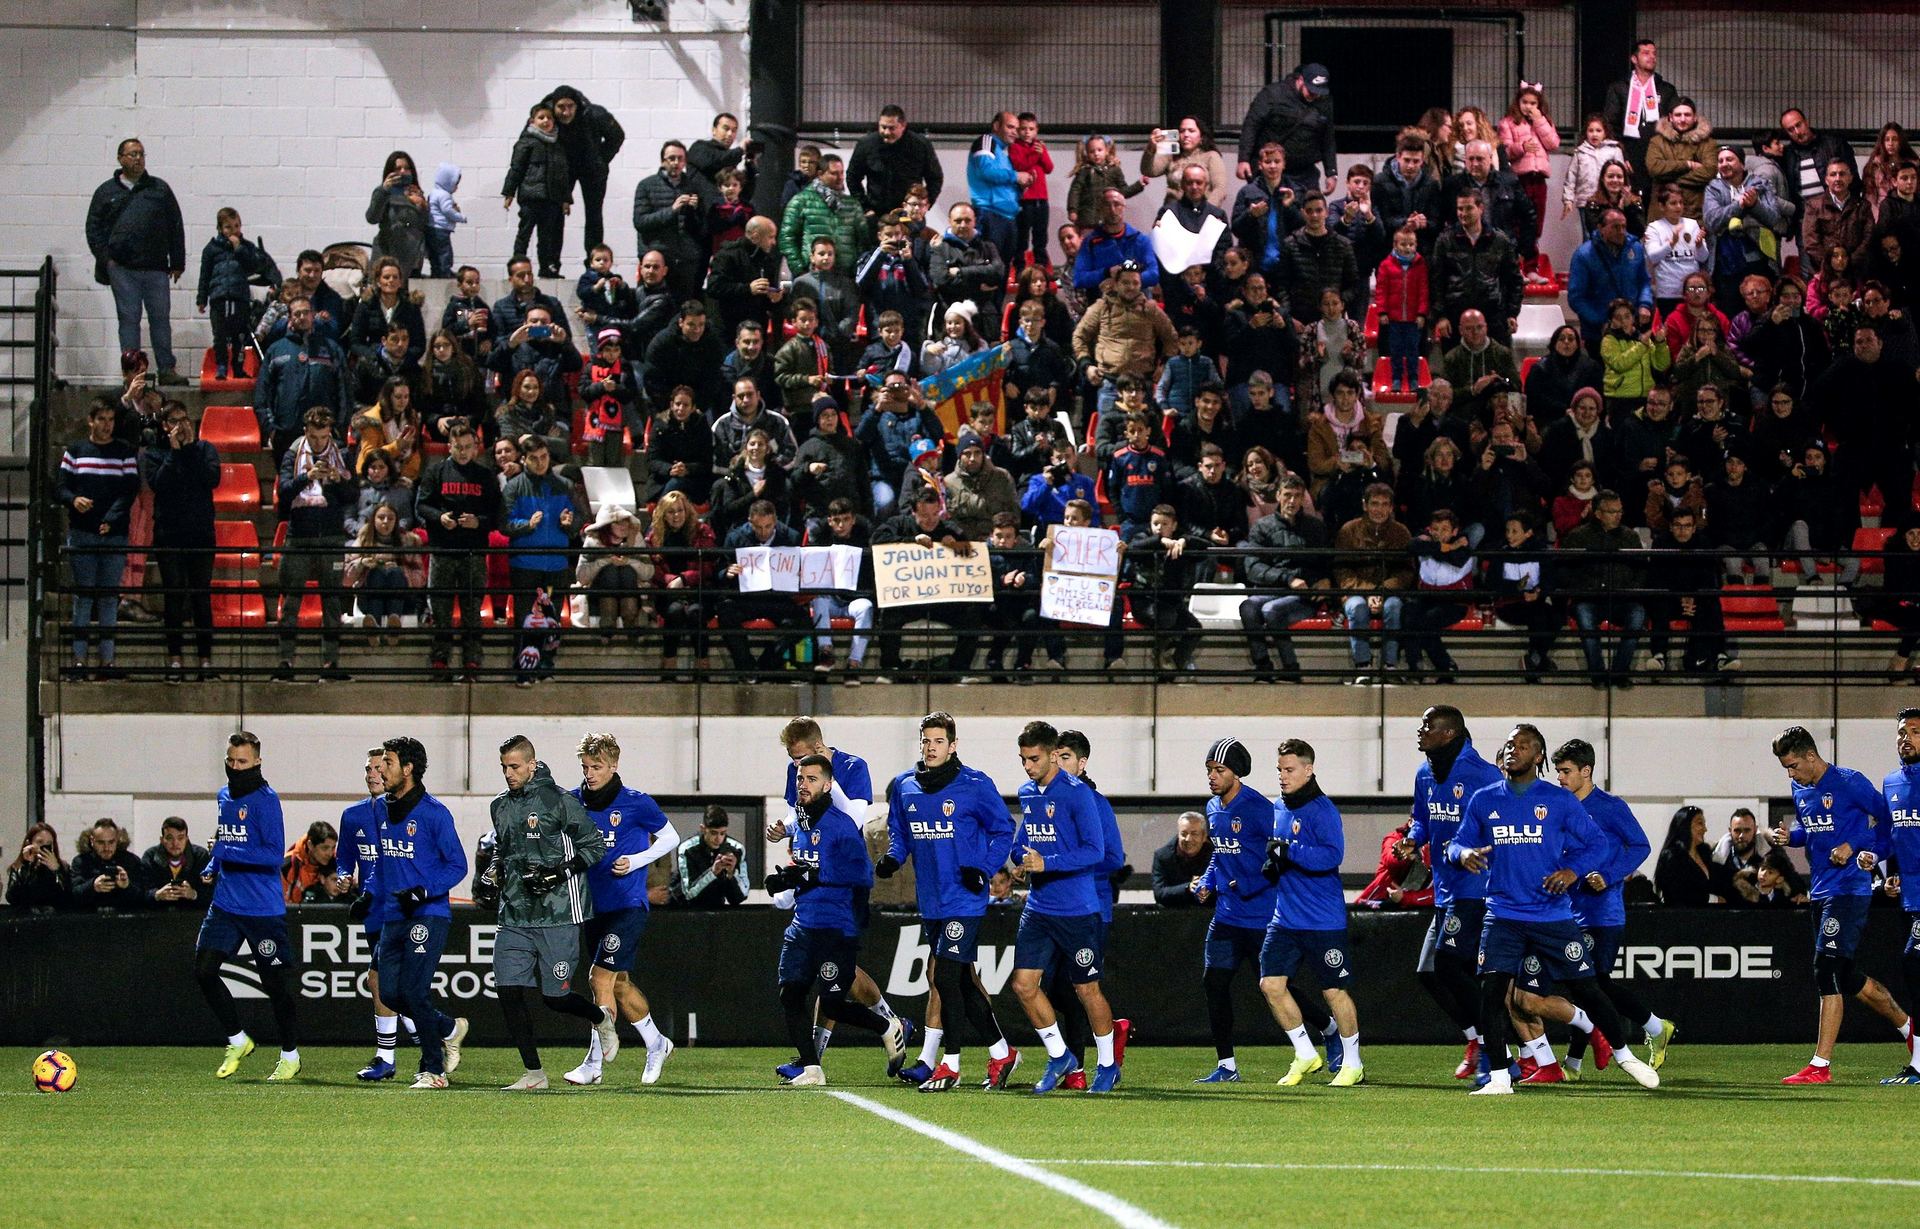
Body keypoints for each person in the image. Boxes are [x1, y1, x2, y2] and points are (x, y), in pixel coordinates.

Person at [1446, 724, 1660, 1094]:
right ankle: (1499, 1077)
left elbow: (1596, 844)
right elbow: (1457, 844)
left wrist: (1572, 869)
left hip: (1552, 915)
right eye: (1509, 744)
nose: (1513, 750)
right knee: (1493, 994)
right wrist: (1463, 853)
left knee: (1589, 989)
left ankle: (1626, 1056)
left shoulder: (1559, 801)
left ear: (1538, 756)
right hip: (1503, 915)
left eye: (1523, 745)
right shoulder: (1484, 799)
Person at [877, 711, 1019, 1091]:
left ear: (953, 745)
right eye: (926, 741)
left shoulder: (974, 784)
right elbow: (900, 832)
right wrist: (893, 856)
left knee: (945, 977)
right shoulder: (905, 786)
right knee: (962, 982)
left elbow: (1004, 829)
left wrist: (985, 869)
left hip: (966, 897)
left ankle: (950, 1064)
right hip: (932, 899)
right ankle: (1003, 1052)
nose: (931, 747)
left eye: (939, 741)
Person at [1768, 726, 1914, 1084]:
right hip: (1819, 890)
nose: (1790, 774)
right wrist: (1790, 837)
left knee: (1825, 967)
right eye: (1786, 768)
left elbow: (1888, 825)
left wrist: (1854, 845)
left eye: (1793, 766)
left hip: (1849, 889)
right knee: (1847, 976)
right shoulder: (1800, 788)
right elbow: (1810, 830)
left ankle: (1820, 1066)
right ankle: (1911, 1028)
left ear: (1811, 757)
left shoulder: (1848, 782)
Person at [1190, 737, 1335, 1083]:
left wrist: (1246, 886)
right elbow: (1219, 852)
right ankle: (1227, 1066)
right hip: (1226, 915)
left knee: (1278, 986)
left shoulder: (1258, 808)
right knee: (1215, 984)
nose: (1212, 776)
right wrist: (1208, 881)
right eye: (1209, 769)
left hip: (1261, 916)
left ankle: (1328, 1028)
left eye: (1219, 770)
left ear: (1237, 773)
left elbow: (1275, 856)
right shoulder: (1212, 807)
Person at [482, 735, 617, 1091]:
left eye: (514, 767)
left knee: (554, 998)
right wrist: (493, 871)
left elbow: (595, 846)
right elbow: (503, 849)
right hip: (514, 912)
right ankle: (534, 1073)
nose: (508, 774)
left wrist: (559, 872)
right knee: (508, 990)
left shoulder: (559, 801)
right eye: (504, 768)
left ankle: (598, 1018)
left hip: (557, 911)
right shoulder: (500, 806)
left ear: (531, 764)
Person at [1535, 739, 1675, 1079]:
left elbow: (1640, 845)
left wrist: (1610, 876)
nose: (1561, 779)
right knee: (1584, 984)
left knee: (1592, 982)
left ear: (1587, 771)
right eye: (1558, 773)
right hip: (1567, 911)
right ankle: (1577, 1061)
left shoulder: (1610, 807)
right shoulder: (1560, 808)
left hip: (1603, 914)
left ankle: (1653, 1027)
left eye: (1567, 772)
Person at [768, 753, 906, 1086]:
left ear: (829, 784)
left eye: (812, 779)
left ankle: (888, 1026)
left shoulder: (841, 826)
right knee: (790, 994)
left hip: (835, 926)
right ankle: (812, 1068)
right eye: (800, 779)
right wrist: (790, 879)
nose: (803, 785)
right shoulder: (799, 825)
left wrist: (811, 875)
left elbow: (862, 877)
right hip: (803, 925)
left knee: (832, 1002)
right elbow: (807, 869)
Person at [1007, 721, 1120, 1094]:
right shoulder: (1027, 792)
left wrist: (1047, 863)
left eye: (1034, 758)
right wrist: (1018, 860)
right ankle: (1059, 1055)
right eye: (1023, 759)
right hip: (1039, 907)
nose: (1028, 767)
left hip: (1076, 909)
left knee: (1086, 990)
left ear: (1053, 755)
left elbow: (1095, 851)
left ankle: (1107, 1064)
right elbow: (1025, 838)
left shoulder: (1077, 795)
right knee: (1024, 985)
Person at [561, 732, 678, 1087]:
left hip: (629, 903)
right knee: (620, 984)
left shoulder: (636, 802)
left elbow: (671, 837)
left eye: (597, 766)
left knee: (599, 977)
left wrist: (637, 860)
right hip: (593, 905)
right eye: (585, 766)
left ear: (614, 765)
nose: (590, 773)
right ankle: (657, 1043)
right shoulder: (573, 801)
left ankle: (593, 1064)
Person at [1396, 706, 1504, 1078]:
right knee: (1429, 972)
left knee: (1449, 965)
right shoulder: (1425, 773)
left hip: (1476, 887)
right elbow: (1423, 819)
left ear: (1449, 733)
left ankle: (1494, 1053)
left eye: (1427, 725)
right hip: (1444, 889)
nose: (1420, 730)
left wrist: (1478, 851)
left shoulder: (1482, 774)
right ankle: (1477, 1038)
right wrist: (1411, 841)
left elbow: (1503, 825)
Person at [195, 732, 302, 1082]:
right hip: (226, 904)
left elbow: (274, 855)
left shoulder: (266, 800)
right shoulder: (224, 795)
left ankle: (290, 1056)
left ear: (257, 762)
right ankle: (238, 1039)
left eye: (243, 762)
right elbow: (228, 837)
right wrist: (213, 865)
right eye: (231, 761)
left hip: (261, 909)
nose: (236, 767)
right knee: (204, 971)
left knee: (276, 986)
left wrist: (225, 853)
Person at [1259, 740, 1365, 1087]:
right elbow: (1282, 854)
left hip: (1322, 919)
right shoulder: (1279, 808)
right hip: (1285, 918)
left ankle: (1353, 1062)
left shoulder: (1323, 810)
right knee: (1271, 985)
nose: (1282, 777)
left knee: (1333, 992)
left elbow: (1332, 856)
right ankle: (1305, 1053)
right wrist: (1272, 864)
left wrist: (1290, 851)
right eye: (1279, 770)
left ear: (1309, 769)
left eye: (1289, 770)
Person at [367, 736, 470, 1090]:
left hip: (427, 914)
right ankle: (448, 1028)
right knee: (390, 994)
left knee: (413, 991)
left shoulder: (433, 813)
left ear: (408, 769)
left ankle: (434, 1070)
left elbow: (458, 865)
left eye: (389, 762)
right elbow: (383, 860)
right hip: (394, 915)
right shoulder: (381, 808)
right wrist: (368, 892)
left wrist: (424, 890)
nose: (381, 768)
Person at [86, 138, 187, 384]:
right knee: (129, 320)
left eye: (141, 153)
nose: (138, 158)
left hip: (156, 268)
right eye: (132, 154)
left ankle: (166, 370)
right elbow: (93, 228)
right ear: (120, 158)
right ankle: (133, 374)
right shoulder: (105, 192)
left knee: (160, 319)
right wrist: (106, 259)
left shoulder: (160, 190)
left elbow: (175, 225)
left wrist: (177, 261)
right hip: (122, 268)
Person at [332, 748, 403, 1081]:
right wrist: (345, 875)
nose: (373, 773)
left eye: (380, 766)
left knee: (380, 980)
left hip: (403, 907)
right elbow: (344, 856)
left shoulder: (403, 812)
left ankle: (388, 1056)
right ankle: (438, 1039)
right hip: (373, 911)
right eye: (369, 768)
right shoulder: (354, 815)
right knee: (391, 985)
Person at [57, 398, 140, 680]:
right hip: (82, 533)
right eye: (102, 419)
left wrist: (111, 519)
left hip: (113, 534)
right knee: (83, 597)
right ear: (90, 421)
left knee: (107, 599)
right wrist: (73, 499)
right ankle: (79, 660)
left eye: (111, 420)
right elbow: (60, 487)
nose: (107, 426)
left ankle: (108, 662)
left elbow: (130, 490)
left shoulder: (124, 452)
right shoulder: (75, 451)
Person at [271, 407, 355, 682]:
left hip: (331, 535)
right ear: (306, 432)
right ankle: (286, 661)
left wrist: (333, 479)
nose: (319, 443)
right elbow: (283, 493)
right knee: (291, 602)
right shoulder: (293, 455)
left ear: (330, 432)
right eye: (315, 437)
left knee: (332, 604)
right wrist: (305, 477)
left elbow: (352, 493)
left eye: (324, 437)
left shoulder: (341, 456)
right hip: (299, 536)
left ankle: (330, 664)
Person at [414, 421, 498, 677]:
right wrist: (440, 518)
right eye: (458, 447)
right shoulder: (435, 472)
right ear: (449, 447)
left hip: (473, 552)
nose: (462, 452)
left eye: (467, 447)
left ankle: (472, 662)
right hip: (443, 550)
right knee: (440, 610)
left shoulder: (485, 476)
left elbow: (496, 515)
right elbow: (422, 506)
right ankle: (440, 661)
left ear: (475, 448)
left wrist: (478, 522)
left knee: (472, 610)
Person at [1559, 490, 1646, 689]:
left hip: (1622, 598)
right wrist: (1581, 588)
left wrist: (1632, 589)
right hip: (1590, 598)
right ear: (1598, 513)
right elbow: (1563, 569)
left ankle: (1619, 672)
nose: (1618, 515)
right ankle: (1598, 674)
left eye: (1620, 511)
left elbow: (1641, 569)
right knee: (1584, 616)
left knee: (1638, 615)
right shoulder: (1578, 537)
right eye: (1612, 511)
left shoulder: (1630, 537)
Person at [254, 298, 354, 465]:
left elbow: (345, 391)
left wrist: (339, 428)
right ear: (290, 318)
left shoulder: (331, 349)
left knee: (325, 488)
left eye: (306, 312)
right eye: (297, 313)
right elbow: (262, 394)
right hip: (285, 434)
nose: (302, 317)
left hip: (325, 435)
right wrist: (271, 430)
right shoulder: (275, 350)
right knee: (290, 486)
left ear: (313, 315)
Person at [1334, 483, 1413, 682]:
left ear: (1391, 507)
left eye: (1385, 504)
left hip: (1388, 592)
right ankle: (1363, 667)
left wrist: (1383, 591)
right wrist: (1369, 592)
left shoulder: (1401, 532)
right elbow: (1342, 570)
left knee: (1394, 607)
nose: (1379, 509)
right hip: (1356, 591)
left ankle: (1390, 665)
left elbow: (1406, 571)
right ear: (1365, 505)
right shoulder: (1348, 530)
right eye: (1375, 504)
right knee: (1357, 607)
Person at [1429, 188, 1523, 349]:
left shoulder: (1500, 240)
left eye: (1469, 208)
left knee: (1498, 370)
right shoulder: (1445, 241)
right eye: (1460, 209)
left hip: (1493, 316)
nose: (1463, 213)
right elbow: (1436, 281)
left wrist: (1511, 313)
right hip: (1454, 316)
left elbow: (1514, 280)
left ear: (1481, 208)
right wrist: (1440, 316)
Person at [541, 85, 625, 262]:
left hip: (592, 169)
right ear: (553, 107)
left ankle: (594, 263)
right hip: (562, 171)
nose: (566, 112)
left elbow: (617, 135)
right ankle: (551, 264)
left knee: (594, 215)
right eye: (561, 107)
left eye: (570, 106)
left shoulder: (595, 114)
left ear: (577, 106)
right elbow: (529, 140)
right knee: (555, 214)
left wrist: (601, 159)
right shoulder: (544, 115)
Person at [195, 207, 280, 380]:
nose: (233, 231)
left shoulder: (247, 247)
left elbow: (253, 266)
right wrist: (201, 299)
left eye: (236, 226)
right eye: (228, 227)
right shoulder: (211, 250)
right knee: (219, 335)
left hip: (239, 297)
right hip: (219, 298)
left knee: (239, 336)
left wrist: (239, 249)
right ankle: (221, 366)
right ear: (220, 228)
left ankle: (238, 367)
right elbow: (204, 276)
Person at [1881, 710, 1920, 1083]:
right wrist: (1890, 872)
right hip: (1912, 895)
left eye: (1915, 732)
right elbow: (1894, 838)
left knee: (1914, 963)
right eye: (1901, 732)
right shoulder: (1891, 782)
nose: (1906, 737)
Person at [1236, 63, 1336, 198]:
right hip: (1271, 168)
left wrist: (1331, 172)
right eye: (1311, 91)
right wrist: (1243, 159)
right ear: (1300, 80)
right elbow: (1251, 125)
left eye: (1319, 92)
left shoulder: (1324, 102)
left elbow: (1328, 138)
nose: (1314, 96)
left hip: (1304, 172)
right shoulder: (1273, 94)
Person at [632, 141, 714, 297]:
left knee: (683, 306)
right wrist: (672, 210)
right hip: (656, 259)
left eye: (680, 159)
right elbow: (640, 222)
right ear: (663, 161)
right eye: (671, 158)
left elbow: (701, 228)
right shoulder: (646, 185)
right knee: (653, 306)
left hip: (685, 260)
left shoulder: (693, 186)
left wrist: (695, 211)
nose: (676, 163)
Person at [1602, 40, 1682, 195]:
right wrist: (1621, 156)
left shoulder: (1667, 89)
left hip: (1659, 155)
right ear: (1634, 59)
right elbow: (1610, 125)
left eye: (1654, 53)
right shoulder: (1619, 88)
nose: (1652, 57)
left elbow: (1676, 124)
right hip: (1630, 154)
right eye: (1646, 53)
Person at [848, 104, 943, 218]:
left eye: (892, 128)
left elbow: (935, 178)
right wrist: (865, 208)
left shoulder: (920, 145)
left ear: (903, 126)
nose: (886, 132)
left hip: (910, 215)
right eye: (883, 127)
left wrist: (924, 206)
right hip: (876, 214)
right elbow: (852, 177)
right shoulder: (866, 145)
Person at [367, 150, 430, 275]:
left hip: (412, 257)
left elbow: (423, 226)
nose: (402, 172)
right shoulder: (383, 192)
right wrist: (384, 190)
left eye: (407, 168)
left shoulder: (416, 193)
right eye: (397, 168)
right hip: (388, 255)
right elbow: (372, 217)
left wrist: (422, 206)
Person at [673, 806, 750, 906]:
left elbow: (741, 896)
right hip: (685, 909)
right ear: (703, 829)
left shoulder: (737, 849)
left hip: (718, 907)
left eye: (723, 833)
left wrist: (732, 874)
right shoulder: (688, 850)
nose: (718, 839)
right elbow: (688, 894)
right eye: (714, 833)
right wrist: (713, 873)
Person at [69, 817, 144, 912]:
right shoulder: (81, 861)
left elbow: (142, 897)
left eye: (111, 842)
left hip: (124, 920)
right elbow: (73, 895)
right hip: (90, 919)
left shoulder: (131, 861)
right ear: (92, 841)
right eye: (101, 842)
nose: (106, 848)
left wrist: (127, 886)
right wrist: (92, 886)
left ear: (117, 840)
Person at [143, 816, 212, 911]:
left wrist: (193, 894)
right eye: (170, 838)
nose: (175, 843)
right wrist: (156, 895)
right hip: (158, 916)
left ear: (187, 839)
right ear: (162, 840)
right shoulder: (150, 857)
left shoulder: (200, 857)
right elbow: (141, 892)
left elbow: (212, 892)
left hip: (192, 916)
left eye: (180, 838)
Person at [1653, 805, 1716, 906]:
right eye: (1700, 823)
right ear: (1685, 825)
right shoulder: (1672, 856)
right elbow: (1677, 894)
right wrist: (1712, 899)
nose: (1705, 829)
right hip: (1682, 917)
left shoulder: (1705, 853)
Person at [1151, 812, 1213, 908]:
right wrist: (1188, 888)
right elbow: (1159, 893)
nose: (1188, 839)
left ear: (1204, 836)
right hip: (1175, 914)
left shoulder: (1220, 854)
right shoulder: (1163, 856)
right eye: (1183, 834)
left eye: (1194, 834)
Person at [279, 820, 343, 905]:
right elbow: (280, 901)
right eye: (325, 848)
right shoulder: (288, 865)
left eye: (333, 847)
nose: (330, 853)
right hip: (295, 914)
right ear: (310, 845)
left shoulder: (336, 863)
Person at [7, 824, 69, 912]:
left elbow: (67, 899)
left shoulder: (63, 867)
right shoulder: (19, 867)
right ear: (29, 843)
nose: (44, 847)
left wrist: (56, 871)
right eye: (40, 842)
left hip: (54, 919)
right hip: (26, 919)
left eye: (49, 844)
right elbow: (12, 898)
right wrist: (27, 866)